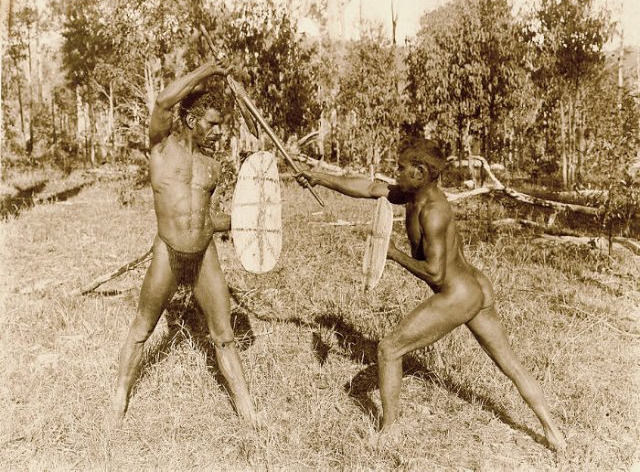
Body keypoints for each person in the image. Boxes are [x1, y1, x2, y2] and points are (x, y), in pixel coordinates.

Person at [298, 137, 566, 452]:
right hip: (476, 284)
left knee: (388, 349)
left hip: (458, 293)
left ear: (421, 173)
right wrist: (318, 177)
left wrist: (392, 253)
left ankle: (389, 433)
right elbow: (370, 188)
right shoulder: (412, 195)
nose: (394, 174)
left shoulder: (433, 211)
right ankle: (554, 434)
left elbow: (436, 273)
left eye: (401, 169)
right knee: (510, 364)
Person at [111, 62, 257, 425]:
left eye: (221, 126)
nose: (219, 133)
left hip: (205, 253)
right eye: (212, 124)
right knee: (143, 327)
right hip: (168, 252)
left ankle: (249, 413)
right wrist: (211, 70)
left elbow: (206, 217)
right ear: (191, 120)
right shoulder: (161, 148)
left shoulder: (214, 165)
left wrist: (245, 222)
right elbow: (162, 103)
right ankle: (117, 402)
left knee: (223, 335)